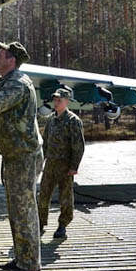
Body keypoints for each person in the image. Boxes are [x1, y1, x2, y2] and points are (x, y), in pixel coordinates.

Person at [0, 41, 43, 271]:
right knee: (15, 211)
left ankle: (30, 266)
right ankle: (21, 259)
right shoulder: (5, 81)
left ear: (11, 60)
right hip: (14, 155)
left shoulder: (18, 84)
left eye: (0, 54)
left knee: (25, 211)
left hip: (24, 157)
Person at [37, 86, 85, 239]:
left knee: (65, 197)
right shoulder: (51, 119)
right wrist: (40, 161)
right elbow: (45, 143)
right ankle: (40, 223)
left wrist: (73, 166)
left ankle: (62, 225)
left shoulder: (73, 121)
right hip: (50, 165)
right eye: (55, 100)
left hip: (65, 166)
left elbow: (78, 146)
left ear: (67, 102)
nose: (56, 103)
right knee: (43, 195)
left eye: (59, 100)